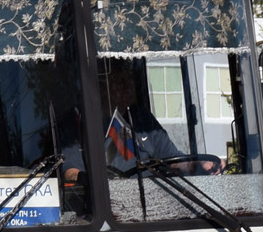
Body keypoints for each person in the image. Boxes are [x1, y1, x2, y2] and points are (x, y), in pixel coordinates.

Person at [64, 66, 220, 180]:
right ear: (102, 86)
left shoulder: (141, 117)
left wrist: (198, 164)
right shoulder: (76, 121)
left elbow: (172, 159)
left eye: (131, 80)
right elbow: (71, 173)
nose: (130, 87)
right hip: (105, 208)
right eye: (122, 82)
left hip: (150, 203)